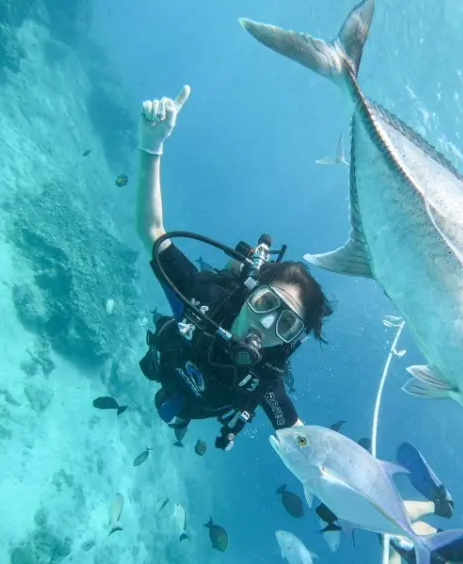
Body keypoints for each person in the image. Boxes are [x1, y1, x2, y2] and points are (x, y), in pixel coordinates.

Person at [133, 85, 334, 452]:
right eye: (266, 304)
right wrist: (152, 146)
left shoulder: (263, 378)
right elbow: (153, 230)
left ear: (291, 341)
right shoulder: (202, 298)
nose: (266, 325)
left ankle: (179, 422)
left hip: (196, 406)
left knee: (178, 414)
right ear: (251, 291)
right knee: (151, 373)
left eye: (286, 324)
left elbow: (301, 441)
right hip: (166, 362)